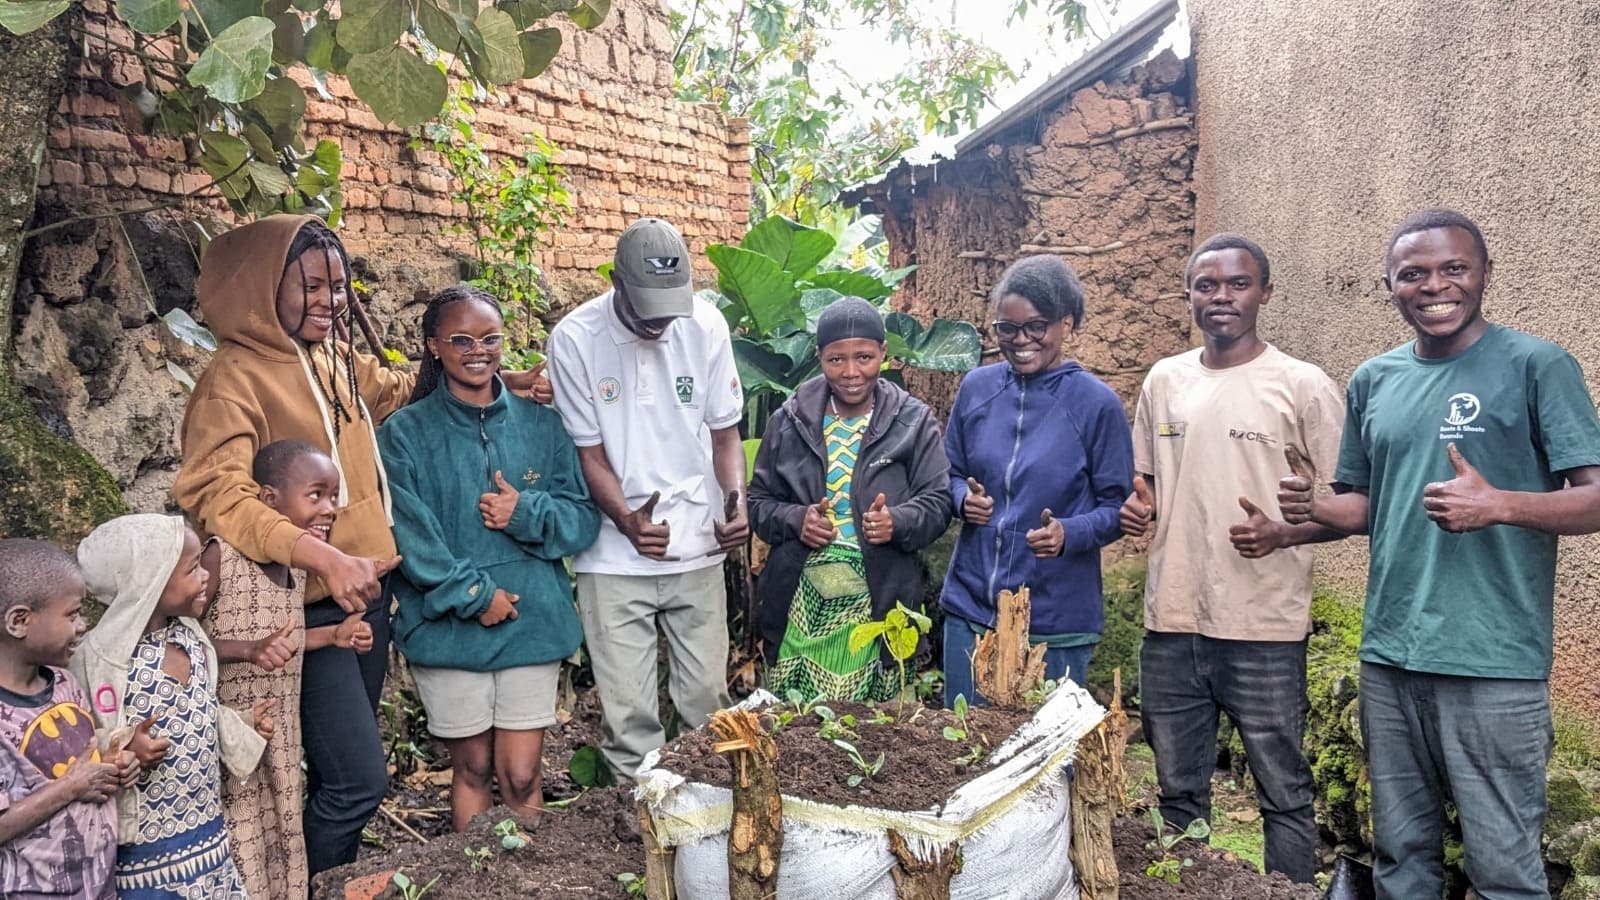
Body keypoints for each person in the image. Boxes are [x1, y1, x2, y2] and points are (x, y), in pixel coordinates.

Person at [172, 215, 550, 875]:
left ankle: (315, 879)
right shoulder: (232, 380)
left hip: (360, 602)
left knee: (333, 778)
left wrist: (507, 380)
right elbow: (218, 495)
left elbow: (401, 389)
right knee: (358, 783)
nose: (330, 301)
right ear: (264, 288)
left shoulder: (332, 361)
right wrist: (323, 556)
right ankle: (312, 886)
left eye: (339, 286)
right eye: (311, 286)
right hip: (300, 607)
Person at [1279, 208, 1600, 899]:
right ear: (1391, 286)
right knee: (1401, 857)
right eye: (1413, 274)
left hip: (1494, 663)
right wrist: (1309, 513)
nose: (1435, 286)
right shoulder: (1373, 380)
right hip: (1390, 656)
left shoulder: (1537, 366)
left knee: (1504, 872)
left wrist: (1502, 504)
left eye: (1454, 268)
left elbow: (1596, 497)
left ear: (1484, 273)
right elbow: (1369, 505)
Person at [1120, 233, 1343, 884]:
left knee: (1283, 794)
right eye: (1207, 285)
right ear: (1188, 294)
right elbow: (1152, 487)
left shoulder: (1302, 386)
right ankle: (1182, 891)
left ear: (1264, 293)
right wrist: (1140, 510)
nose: (1221, 297)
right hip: (1173, 620)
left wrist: (1285, 534)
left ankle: (1290, 894)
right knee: (1178, 790)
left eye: (1238, 284)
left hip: (1264, 627)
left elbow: (1356, 507)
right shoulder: (1165, 381)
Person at [381, 285, 599, 831]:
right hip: (449, 627)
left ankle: (534, 885)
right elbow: (409, 537)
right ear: (433, 345)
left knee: (523, 775)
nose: (477, 350)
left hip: (531, 623)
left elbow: (582, 519)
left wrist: (525, 513)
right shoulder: (402, 434)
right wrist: (475, 596)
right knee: (474, 768)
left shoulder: (543, 425)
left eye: (490, 338)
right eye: (460, 339)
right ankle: (471, 883)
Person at [546, 217, 749, 780]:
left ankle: (705, 818)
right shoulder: (574, 339)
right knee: (628, 715)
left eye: (670, 308)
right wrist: (628, 521)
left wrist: (736, 501)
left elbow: (726, 435)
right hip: (613, 557)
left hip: (698, 546)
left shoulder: (705, 325)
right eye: (647, 309)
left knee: (707, 701)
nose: (660, 322)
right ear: (615, 282)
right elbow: (590, 454)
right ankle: (639, 834)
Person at [940, 255, 1132, 704]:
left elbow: (1118, 508)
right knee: (965, 751)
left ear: (1066, 323)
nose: (1021, 340)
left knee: (1044, 764)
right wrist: (960, 500)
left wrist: (1069, 533)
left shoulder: (1096, 405)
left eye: (1036, 327)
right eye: (1007, 329)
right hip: (971, 611)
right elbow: (947, 475)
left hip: (1056, 619)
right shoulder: (977, 389)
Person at [748, 297, 952, 701]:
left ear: (884, 354)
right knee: (796, 724)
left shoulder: (912, 421)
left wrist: (897, 521)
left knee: (873, 730)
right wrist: (796, 520)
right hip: (800, 600)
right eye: (836, 360)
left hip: (881, 596)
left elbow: (939, 501)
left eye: (864, 357)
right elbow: (758, 502)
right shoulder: (789, 421)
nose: (852, 372)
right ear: (820, 357)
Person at [199, 439, 373, 900]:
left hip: (279, 736)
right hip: (231, 733)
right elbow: (182, 646)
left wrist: (331, 637)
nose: (329, 509)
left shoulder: (295, 571)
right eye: (315, 495)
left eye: (333, 497)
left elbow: (285, 641)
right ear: (269, 501)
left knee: (278, 826)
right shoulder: (222, 558)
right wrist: (247, 650)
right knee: (239, 832)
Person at [72, 515, 272, 899]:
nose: (205, 577)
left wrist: (243, 724)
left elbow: (196, 710)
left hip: (208, 838)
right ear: (149, 581)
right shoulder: (100, 661)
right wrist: (124, 746)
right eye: (192, 567)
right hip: (145, 856)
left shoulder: (191, 637)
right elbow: (71, 743)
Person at [0, 539, 137, 900]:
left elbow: (82, 761)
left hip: (99, 887)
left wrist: (115, 764)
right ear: (19, 621)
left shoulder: (63, 682)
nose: (83, 625)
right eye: (73, 614)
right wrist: (71, 787)